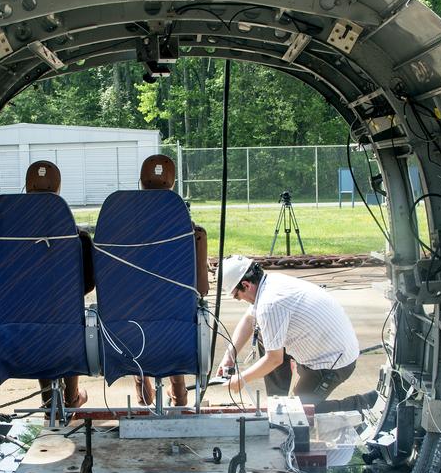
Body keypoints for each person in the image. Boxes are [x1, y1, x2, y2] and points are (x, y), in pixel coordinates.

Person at [216, 255, 359, 404]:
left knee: (298, 415)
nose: (240, 299)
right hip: (322, 347)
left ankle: (365, 403)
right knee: (264, 335)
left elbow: (274, 359)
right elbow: (249, 319)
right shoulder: (270, 282)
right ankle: (277, 401)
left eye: (237, 296)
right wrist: (229, 357)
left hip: (332, 363)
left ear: (246, 285)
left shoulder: (270, 304)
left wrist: (242, 380)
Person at [130, 154, 208, 407]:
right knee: (176, 321)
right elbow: (201, 288)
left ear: (141, 181)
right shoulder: (188, 228)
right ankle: (180, 396)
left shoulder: (122, 225)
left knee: (133, 322)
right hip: (175, 322)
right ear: (172, 182)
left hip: (131, 318)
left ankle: (144, 396)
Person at [24, 160, 92, 409]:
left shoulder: (2, 236)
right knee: (69, 320)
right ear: (59, 189)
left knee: (39, 322)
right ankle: (72, 398)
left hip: (14, 334)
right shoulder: (78, 238)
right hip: (66, 325)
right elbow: (87, 284)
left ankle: (49, 401)